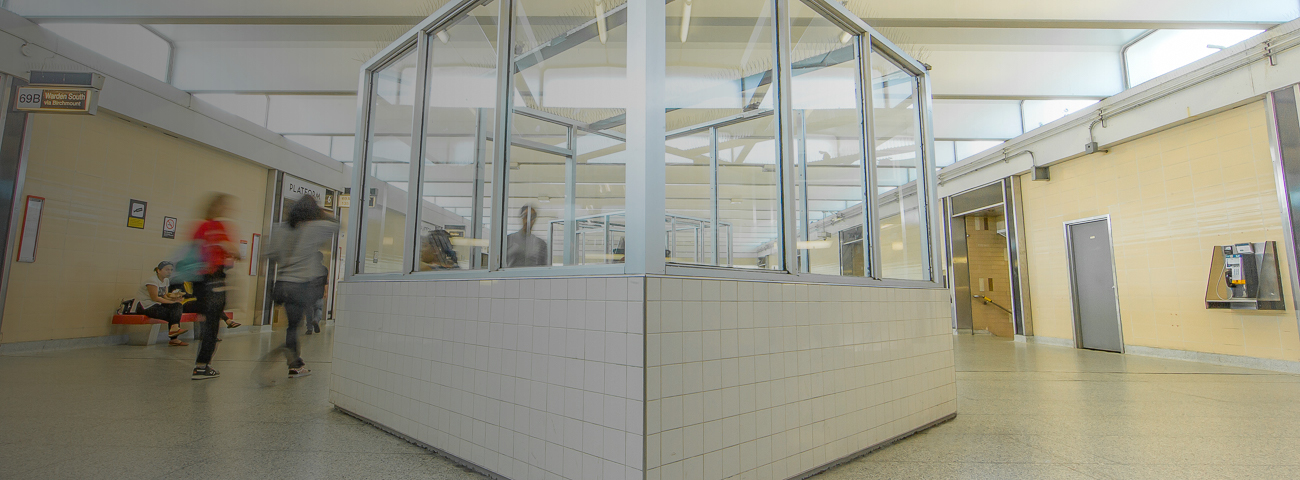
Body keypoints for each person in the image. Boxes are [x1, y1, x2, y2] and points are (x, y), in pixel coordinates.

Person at [263, 196, 338, 378]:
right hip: (301, 285)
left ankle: (294, 358)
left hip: (283, 284)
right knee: (295, 326)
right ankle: (293, 360)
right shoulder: (314, 227)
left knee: (293, 325)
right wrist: (321, 213)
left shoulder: (280, 228)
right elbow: (336, 224)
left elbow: (270, 254)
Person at [191, 193, 242, 380]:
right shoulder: (217, 226)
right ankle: (202, 366)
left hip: (199, 281)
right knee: (212, 325)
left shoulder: (200, 227)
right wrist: (237, 254)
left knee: (207, 322)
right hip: (214, 278)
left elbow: (193, 249)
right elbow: (229, 247)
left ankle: (202, 364)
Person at [136, 261, 188, 346]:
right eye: (167, 270)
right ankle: (174, 337)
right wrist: (172, 302)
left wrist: (176, 299)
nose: (169, 272)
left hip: (157, 304)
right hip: (145, 306)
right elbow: (155, 298)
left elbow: (164, 296)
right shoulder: (152, 281)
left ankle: (174, 330)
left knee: (177, 306)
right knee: (172, 314)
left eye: (171, 270)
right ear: (158, 270)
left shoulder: (166, 280)